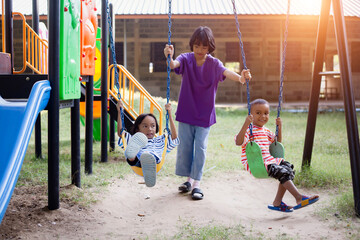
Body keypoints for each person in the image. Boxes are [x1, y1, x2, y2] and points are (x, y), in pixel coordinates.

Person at [164, 26, 251, 200]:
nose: (200, 50)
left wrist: (241, 78)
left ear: (210, 47)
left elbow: (226, 72)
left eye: (204, 47)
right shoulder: (186, 58)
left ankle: (197, 184)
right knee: (186, 147)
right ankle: (188, 180)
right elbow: (174, 65)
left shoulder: (214, 63)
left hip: (204, 113)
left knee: (200, 148)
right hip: (187, 111)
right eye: (197, 46)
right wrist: (169, 55)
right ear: (192, 45)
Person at [235, 98, 319, 212]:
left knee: (288, 168)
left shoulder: (266, 130)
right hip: (256, 163)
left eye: (266, 113)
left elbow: (277, 142)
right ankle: (299, 198)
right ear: (250, 115)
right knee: (282, 172)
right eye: (258, 113)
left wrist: (280, 127)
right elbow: (238, 142)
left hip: (269, 160)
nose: (263, 116)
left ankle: (277, 202)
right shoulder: (248, 130)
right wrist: (246, 124)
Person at [116, 100, 179, 187]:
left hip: (154, 162)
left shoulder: (160, 140)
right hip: (138, 162)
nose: (150, 129)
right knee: (134, 153)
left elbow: (174, 137)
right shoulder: (136, 140)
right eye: (145, 126)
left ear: (156, 127)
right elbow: (121, 134)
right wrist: (120, 112)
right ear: (138, 129)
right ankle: (132, 156)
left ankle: (146, 161)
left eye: (153, 126)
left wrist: (169, 113)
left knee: (150, 156)